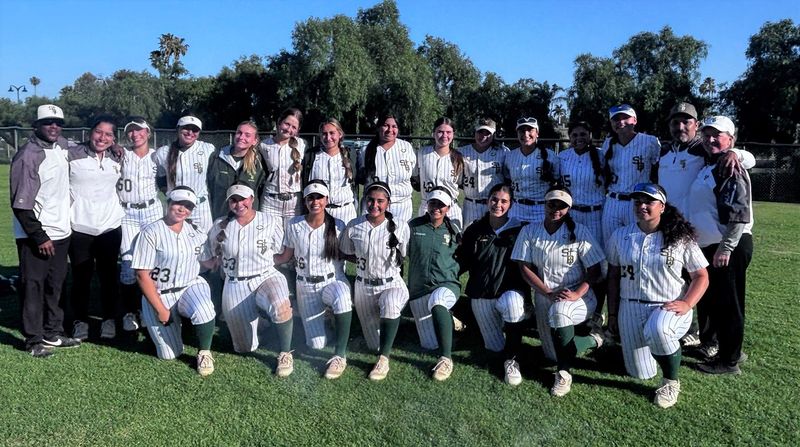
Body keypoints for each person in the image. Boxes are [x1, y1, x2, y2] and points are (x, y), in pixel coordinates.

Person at [654, 103, 755, 349]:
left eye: (686, 122)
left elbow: (748, 158)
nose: (680, 127)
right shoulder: (663, 152)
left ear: (695, 125)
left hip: (715, 238)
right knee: (686, 285)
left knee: (719, 294)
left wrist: (736, 153)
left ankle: (719, 346)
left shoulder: (705, 150)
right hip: (680, 232)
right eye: (675, 122)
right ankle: (692, 332)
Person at [606, 183, 709, 408]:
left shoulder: (679, 236)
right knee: (640, 373)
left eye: (649, 202)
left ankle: (671, 381)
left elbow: (701, 276)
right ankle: (659, 349)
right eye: (638, 202)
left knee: (659, 329)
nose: (642, 206)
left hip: (668, 305)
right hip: (630, 306)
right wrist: (612, 314)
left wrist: (687, 303)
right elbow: (613, 277)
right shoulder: (620, 235)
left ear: (662, 206)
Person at [512, 186, 606, 396]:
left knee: (561, 311)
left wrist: (577, 294)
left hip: (577, 295)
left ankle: (563, 374)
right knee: (552, 355)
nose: (556, 209)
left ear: (569, 209)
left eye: (562, 206)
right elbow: (524, 267)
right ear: (544, 204)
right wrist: (546, 292)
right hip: (545, 294)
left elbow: (595, 270)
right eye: (552, 204)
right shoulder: (530, 231)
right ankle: (594, 339)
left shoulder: (579, 231)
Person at [203, 184, 295, 377]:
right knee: (244, 348)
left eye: (243, 199)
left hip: (265, 276)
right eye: (234, 200)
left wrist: (271, 261)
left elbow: (281, 251)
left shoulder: (269, 220)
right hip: (235, 283)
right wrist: (212, 264)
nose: (239, 204)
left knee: (280, 305)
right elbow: (209, 254)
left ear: (252, 199)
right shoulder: (220, 225)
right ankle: (259, 321)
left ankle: (285, 353)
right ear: (229, 203)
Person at [10, 104, 81, 357]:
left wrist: (114, 147)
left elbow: (84, 148)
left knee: (56, 285)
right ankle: (33, 340)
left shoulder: (60, 145)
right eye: (48, 122)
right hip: (37, 237)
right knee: (33, 287)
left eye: (58, 123)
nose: (54, 127)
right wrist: (39, 236)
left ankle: (53, 332)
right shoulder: (28, 155)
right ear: (36, 126)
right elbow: (21, 205)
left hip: (61, 232)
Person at [688, 116, 754, 375]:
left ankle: (728, 361)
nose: (711, 139)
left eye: (718, 135)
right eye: (707, 134)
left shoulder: (729, 166)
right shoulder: (711, 162)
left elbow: (739, 212)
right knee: (719, 302)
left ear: (731, 139)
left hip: (726, 245)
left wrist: (726, 247)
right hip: (713, 244)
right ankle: (730, 350)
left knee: (729, 304)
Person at [132, 187, 217, 376]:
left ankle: (204, 352)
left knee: (204, 309)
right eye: (178, 203)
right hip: (160, 293)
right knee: (170, 354)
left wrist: (218, 257)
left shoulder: (196, 232)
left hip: (190, 286)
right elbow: (142, 275)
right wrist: (161, 309)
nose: (182, 209)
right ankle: (163, 327)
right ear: (168, 202)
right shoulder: (150, 232)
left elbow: (206, 261)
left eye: (188, 206)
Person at [275, 180, 353, 379]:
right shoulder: (294, 224)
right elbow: (285, 256)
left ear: (326, 200)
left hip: (331, 281)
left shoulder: (338, 225)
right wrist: (262, 260)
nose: (315, 201)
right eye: (311, 197)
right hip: (305, 285)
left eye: (319, 197)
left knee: (343, 297)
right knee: (316, 344)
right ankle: (329, 321)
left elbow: (348, 254)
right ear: (305, 200)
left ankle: (340, 355)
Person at [454, 183, 529, 385]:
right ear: (488, 201)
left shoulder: (520, 230)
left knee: (513, 305)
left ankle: (513, 360)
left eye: (504, 201)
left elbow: (528, 265)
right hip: (481, 293)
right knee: (494, 348)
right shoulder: (475, 229)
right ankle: (476, 326)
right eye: (494, 199)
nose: (498, 204)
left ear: (511, 204)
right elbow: (462, 261)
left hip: (509, 291)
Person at [340, 181, 410, 381]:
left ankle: (383, 358)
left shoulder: (400, 226)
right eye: (370, 200)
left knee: (390, 303)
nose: (375, 205)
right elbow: (345, 251)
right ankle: (385, 340)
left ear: (388, 203)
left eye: (380, 201)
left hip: (391, 283)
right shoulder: (354, 225)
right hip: (363, 285)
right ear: (365, 200)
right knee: (373, 344)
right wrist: (364, 260)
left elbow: (403, 254)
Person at [67, 115, 125, 341]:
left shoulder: (117, 157)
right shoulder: (71, 153)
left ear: (114, 138)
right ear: (90, 132)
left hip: (109, 227)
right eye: (99, 132)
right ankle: (80, 320)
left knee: (109, 277)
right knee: (81, 277)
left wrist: (117, 147)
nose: (102, 138)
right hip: (79, 226)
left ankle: (109, 318)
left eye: (108, 134)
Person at [406, 187, 462, 381]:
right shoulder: (413, 226)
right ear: (427, 204)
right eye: (433, 203)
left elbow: (463, 257)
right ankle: (450, 320)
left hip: (445, 285)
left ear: (448, 208)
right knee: (429, 344)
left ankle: (446, 359)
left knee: (438, 302)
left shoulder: (454, 230)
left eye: (441, 204)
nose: (436, 208)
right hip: (419, 289)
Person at [118, 117, 163, 332]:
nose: (135, 135)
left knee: (152, 263)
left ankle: (148, 309)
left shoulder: (157, 156)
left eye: (139, 130)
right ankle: (130, 311)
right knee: (128, 265)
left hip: (152, 210)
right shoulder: (121, 154)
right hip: (127, 212)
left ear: (148, 132)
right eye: (131, 131)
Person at [155, 114, 215, 232]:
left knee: (204, 241)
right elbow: (160, 177)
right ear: (178, 129)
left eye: (194, 130)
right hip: (175, 207)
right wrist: (169, 194)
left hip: (200, 207)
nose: (190, 132)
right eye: (186, 128)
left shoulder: (208, 149)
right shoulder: (163, 152)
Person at [357, 114, 416, 223]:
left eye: (394, 126)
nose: (390, 130)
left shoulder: (406, 147)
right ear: (378, 127)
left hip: (402, 206)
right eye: (386, 125)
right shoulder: (366, 150)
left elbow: (412, 172)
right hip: (374, 207)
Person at [301, 118, 357, 224]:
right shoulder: (312, 156)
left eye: (332, 133)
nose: (328, 137)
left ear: (340, 134)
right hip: (320, 211)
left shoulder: (350, 155)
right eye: (324, 134)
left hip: (345, 211)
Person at [503, 116, 559, 223]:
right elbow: (507, 180)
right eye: (522, 131)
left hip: (541, 209)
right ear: (517, 133)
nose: (526, 134)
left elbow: (557, 181)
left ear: (537, 133)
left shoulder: (550, 156)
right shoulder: (510, 156)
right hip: (516, 208)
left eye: (530, 130)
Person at [259, 108, 307, 230]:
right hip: (270, 201)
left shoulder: (302, 145)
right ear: (279, 122)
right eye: (287, 124)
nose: (289, 129)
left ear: (298, 130)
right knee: (269, 237)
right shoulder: (264, 145)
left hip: (294, 203)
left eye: (294, 127)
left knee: (293, 237)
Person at [413, 117, 465, 230]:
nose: (444, 135)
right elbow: (415, 177)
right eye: (440, 131)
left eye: (448, 132)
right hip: (427, 206)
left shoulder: (459, 158)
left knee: (453, 240)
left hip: (451, 208)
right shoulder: (422, 153)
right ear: (433, 133)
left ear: (453, 134)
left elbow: (460, 182)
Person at [207, 120, 265, 220]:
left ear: (254, 141)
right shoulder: (217, 157)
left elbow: (261, 190)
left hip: (248, 220)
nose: (241, 137)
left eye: (247, 135)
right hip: (221, 218)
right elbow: (209, 187)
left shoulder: (259, 162)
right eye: (239, 133)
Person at [459, 118, 509, 229]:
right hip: (470, 205)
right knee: (469, 236)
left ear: (494, 135)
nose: (483, 136)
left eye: (488, 133)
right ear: (475, 132)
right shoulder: (462, 152)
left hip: (494, 205)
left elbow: (508, 178)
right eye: (480, 132)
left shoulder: (503, 152)